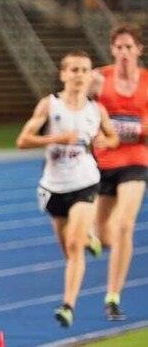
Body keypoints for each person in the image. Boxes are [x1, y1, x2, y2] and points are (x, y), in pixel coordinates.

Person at [17, 50, 119, 327]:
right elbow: (23, 140)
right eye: (73, 70)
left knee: (74, 246)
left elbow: (112, 139)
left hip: (85, 181)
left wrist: (103, 142)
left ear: (89, 76)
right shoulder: (49, 105)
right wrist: (57, 138)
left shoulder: (96, 110)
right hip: (54, 187)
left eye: (84, 70)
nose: (79, 75)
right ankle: (90, 236)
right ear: (63, 75)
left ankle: (67, 306)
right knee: (69, 249)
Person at [89, 23, 148, 321]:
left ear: (139, 50)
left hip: (136, 161)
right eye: (119, 47)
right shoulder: (99, 79)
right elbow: (76, 110)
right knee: (106, 235)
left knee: (125, 224)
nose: (124, 52)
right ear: (112, 49)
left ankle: (112, 296)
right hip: (103, 163)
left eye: (129, 47)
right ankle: (96, 235)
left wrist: (129, 129)